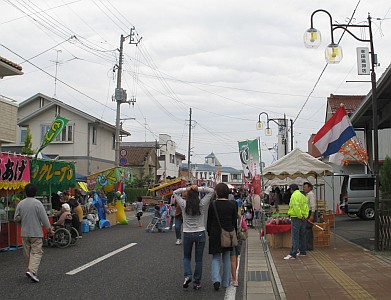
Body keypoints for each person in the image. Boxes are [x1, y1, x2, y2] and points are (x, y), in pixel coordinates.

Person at [173, 184, 214, 290]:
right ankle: (197, 283)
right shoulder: (202, 204)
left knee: (186, 257)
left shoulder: (183, 204)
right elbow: (211, 191)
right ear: (197, 194)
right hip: (200, 232)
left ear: (188, 195)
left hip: (187, 233)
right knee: (199, 259)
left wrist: (186, 188)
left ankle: (187, 275)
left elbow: (175, 192)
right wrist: (198, 188)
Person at [14, 183, 54, 283]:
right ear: (35, 192)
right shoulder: (37, 203)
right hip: (36, 232)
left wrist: (20, 222)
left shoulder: (21, 203)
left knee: (27, 253)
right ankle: (32, 271)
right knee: (36, 252)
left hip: (24, 232)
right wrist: (49, 229)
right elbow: (44, 218)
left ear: (25, 192)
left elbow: (15, 218)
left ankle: (29, 270)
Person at [207, 183, 238, 291]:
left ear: (217, 192)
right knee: (226, 258)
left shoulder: (213, 204)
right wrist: (235, 234)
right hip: (228, 233)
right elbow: (234, 221)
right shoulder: (232, 204)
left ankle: (216, 280)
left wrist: (209, 232)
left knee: (216, 257)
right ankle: (226, 282)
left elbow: (209, 220)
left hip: (215, 233)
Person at [284, 184, 309, 260]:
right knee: (302, 234)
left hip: (296, 217)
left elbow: (296, 207)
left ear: (292, 189)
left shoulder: (294, 196)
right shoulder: (303, 196)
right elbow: (306, 207)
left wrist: (300, 215)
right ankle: (303, 251)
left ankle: (293, 253)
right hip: (303, 218)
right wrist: (305, 215)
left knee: (295, 236)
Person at [230, 202, 248, 287]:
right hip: (239, 239)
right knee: (236, 258)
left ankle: (233, 279)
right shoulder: (240, 218)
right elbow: (245, 228)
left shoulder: (229, 217)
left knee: (232, 259)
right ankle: (235, 278)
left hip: (230, 239)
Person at [303, 182, 317, 251]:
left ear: (309, 187)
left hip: (310, 213)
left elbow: (313, 205)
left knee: (308, 230)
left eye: (305, 187)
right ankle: (308, 246)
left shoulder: (311, 195)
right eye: (304, 187)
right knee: (308, 230)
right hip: (307, 213)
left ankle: (309, 246)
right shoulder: (307, 194)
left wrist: (312, 215)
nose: (304, 188)